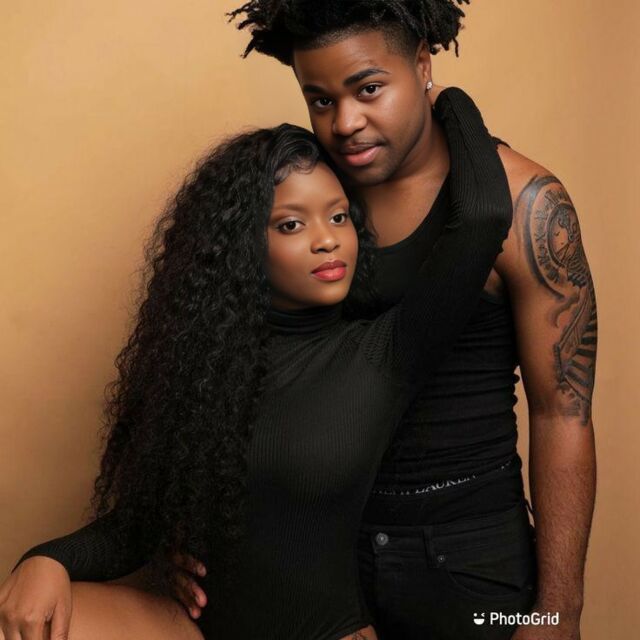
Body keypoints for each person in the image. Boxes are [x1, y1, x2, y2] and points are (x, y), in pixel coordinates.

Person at [1, 90, 512, 639]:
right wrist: (47, 559)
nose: (327, 241)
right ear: (243, 247)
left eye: (339, 216)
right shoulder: (205, 368)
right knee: (21, 624)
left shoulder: (386, 351)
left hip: (322, 633)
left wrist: (442, 100)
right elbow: (141, 525)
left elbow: (483, 216)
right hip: (198, 628)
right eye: (291, 225)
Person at [165, 2, 593, 639]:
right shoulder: (317, 193)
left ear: (422, 64)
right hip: (324, 559)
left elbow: (562, 413)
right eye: (320, 100)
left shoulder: (526, 204)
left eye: (368, 89)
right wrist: (194, 530)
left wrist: (559, 610)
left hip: (466, 561)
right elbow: (239, 362)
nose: (345, 123)